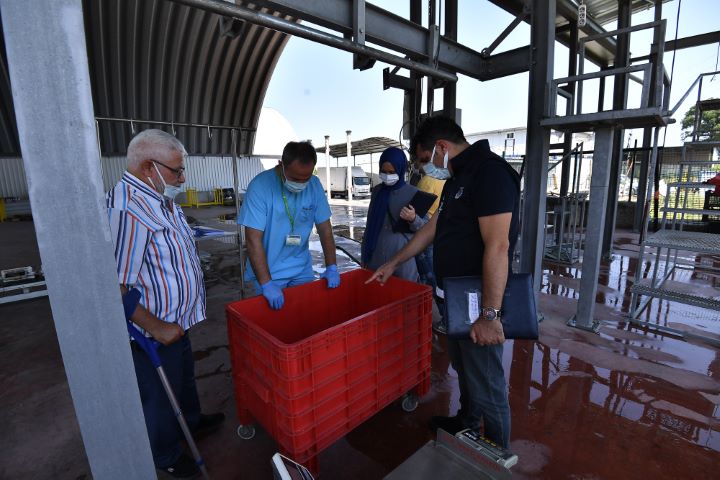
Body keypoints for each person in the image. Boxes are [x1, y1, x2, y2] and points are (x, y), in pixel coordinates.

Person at [366, 116, 520, 449]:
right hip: (453, 295)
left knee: (488, 378)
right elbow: (430, 230)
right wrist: (393, 262)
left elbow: (498, 245)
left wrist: (490, 314)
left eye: (425, 160)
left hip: (479, 298)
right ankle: (466, 421)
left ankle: (495, 453)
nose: (427, 168)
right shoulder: (456, 180)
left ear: (441, 148)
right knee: (465, 367)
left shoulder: (490, 173)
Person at [107, 129, 224, 478]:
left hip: (177, 320)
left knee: (184, 379)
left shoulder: (159, 197)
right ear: (147, 167)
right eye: (176, 170)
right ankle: (166, 454)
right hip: (155, 330)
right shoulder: (127, 208)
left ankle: (191, 421)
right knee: (159, 395)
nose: (182, 177)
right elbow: (114, 284)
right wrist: (156, 327)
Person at [238, 141, 340, 309]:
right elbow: (252, 239)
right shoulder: (260, 187)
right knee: (274, 325)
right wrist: (266, 283)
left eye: (305, 178)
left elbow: (325, 229)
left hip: (302, 270)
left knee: (303, 318)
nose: (300, 184)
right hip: (270, 272)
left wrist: (332, 267)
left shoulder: (314, 185)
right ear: (281, 164)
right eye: (294, 178)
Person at [361, 147, 428, 281]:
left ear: (401, 169)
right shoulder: (377, 191)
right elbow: (370, 225)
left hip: (403, 263)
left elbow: (426, 230)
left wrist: (414, 219)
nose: (387, 176)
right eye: (383, 171)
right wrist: (364, 255)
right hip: (376, 259)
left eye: (392, 172)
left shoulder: (413, 193)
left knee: (404, 298)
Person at [414, 152, 449, 332]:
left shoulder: (426, 182)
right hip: (441, 232)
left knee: (428, 275)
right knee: (437, 274)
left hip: (426, 230)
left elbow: (418, 210)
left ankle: (444, 317)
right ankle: (445, 314)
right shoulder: (446, 180)